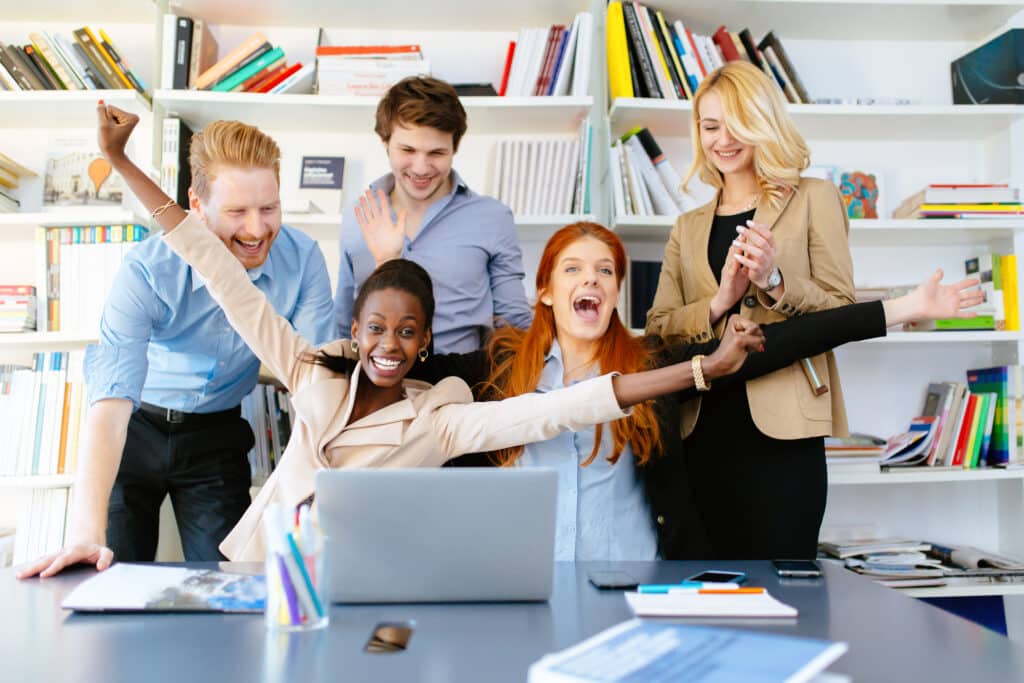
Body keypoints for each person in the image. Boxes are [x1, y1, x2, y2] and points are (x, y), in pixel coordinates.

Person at [22, 103, 769, 570]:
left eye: (408, 331)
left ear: (426, 342)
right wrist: (120, 161)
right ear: (353, 327)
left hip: (359, 569)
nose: (389, 341)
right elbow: (209, 261)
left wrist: (698, 372)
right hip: (265, 564)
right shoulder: (309, 368)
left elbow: (569, 405)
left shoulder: (442, 417)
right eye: (376, 325)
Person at [398, 221, 980, 561]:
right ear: (546, 291)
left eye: (605, 270)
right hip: (522, 583)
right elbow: (393, 355)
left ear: (617, 293)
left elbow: (783, 343)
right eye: (572, 269)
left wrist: (905, 309)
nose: (590, 280)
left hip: (633, 583)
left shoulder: (652, 363)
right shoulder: (495, 367)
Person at [17, 108, 335, 578]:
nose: (256, 229)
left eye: (268, 209)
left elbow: (316, 380)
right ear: (196, 204)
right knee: (110, 576)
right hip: (134, 430)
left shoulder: (303, 259)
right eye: (236, 211)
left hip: (216, 436)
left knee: (227, 585)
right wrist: (85, 534)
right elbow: (110, 402)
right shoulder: (147, 270)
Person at [646, 61, 858, 559]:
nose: (723, 139)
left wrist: (776, 282)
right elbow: (658, 331)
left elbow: (843, 308)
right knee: (710, 589)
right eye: (710, 125)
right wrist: (718, 302)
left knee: (787, 592)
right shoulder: (688, 226)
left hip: (784, 435)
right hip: (700, 429)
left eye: (736, 122)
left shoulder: (813, 198)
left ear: (762, 120)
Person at [334, 76, 532, 353]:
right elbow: (344, 323)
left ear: (455, 149)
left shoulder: (492, 218)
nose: (421, 167)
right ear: (385, 142)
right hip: (379, 383)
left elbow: (515, 325)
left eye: (436, 153)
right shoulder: (358, 217)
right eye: (408, 150)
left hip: (465, 384)